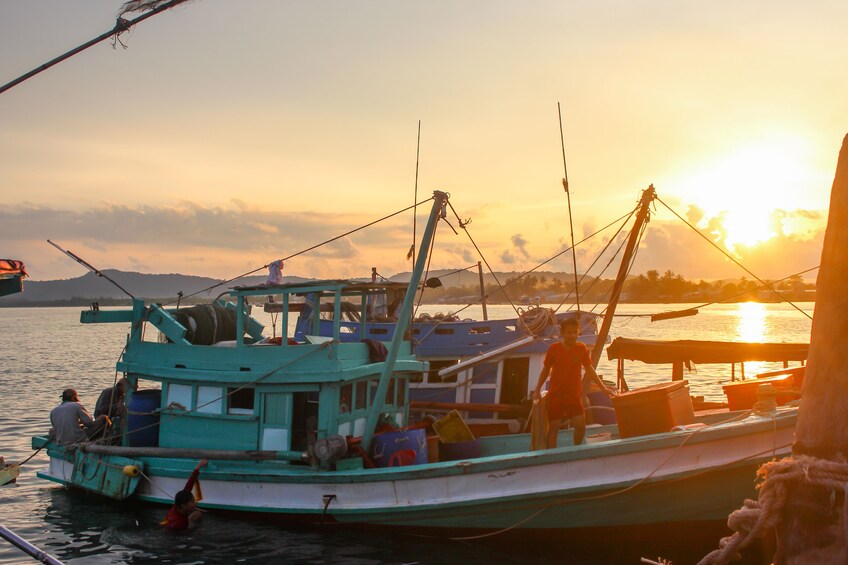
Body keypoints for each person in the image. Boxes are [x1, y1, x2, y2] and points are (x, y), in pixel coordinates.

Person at [532, 318, 615, 448]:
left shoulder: (582, 348)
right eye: (568, 332)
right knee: (554, 427)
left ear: (578, 333)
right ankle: (551, 455)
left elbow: (590, 370)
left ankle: (576, 449)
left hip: (574, 397)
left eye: (574, 332)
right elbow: (545, 370)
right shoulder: (554, 349)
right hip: (556, 396)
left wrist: (604, 388)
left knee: (581, 426)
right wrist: (537, 390)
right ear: (562, 333)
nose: (572, 335)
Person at [161, 459, 208, 532]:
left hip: (171, 524)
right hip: (173, 532)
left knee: (198, 514)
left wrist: (199, 466)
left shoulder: (177, 506)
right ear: (183, 505)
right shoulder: (180, 523)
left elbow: (189, 485)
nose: (195, 503)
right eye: (192, 502)